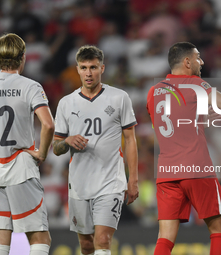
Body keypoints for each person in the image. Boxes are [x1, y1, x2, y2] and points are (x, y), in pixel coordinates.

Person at [146, 42, 221, 255]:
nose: (202, 62)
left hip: (166, 172)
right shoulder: (196, 84)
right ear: (187, 61)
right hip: (196, 168)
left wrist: (199, 118)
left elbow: (169, 123)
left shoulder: (153, 92)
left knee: (165, 237)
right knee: (219, 228)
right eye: (198, 57)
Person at [0, 33, 55, 255]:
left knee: (0, 237)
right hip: (21, 165)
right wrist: (41, 153)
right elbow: (48, 125)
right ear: (23, 57)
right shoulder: (30, 86)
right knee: (39, 236)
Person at [53, 45, 139, 255]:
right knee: (87, 245)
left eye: (93, 67)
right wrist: (68, 141)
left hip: (110, 182)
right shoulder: (66, 103)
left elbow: (131, 140)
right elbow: (56, 148)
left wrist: (133, 179)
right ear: (77, 69)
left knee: (102, 239)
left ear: (102, 68)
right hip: (80, 185)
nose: (88, 73)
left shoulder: (119, 98)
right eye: (84, 68)